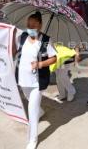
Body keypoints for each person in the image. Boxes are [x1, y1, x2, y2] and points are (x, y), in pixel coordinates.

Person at [14, 12, 57, 149]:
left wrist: (40, 64)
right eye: (28, 24)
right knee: (28, 100)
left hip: (37, 82)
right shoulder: (23, 36)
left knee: (31, 111)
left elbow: (54, 58)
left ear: (40, 25)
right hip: (22, 78)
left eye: (33, 25)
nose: (30, 27)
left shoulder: (45, 40)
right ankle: (40, 111)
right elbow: (17, 51)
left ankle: (32, 139)